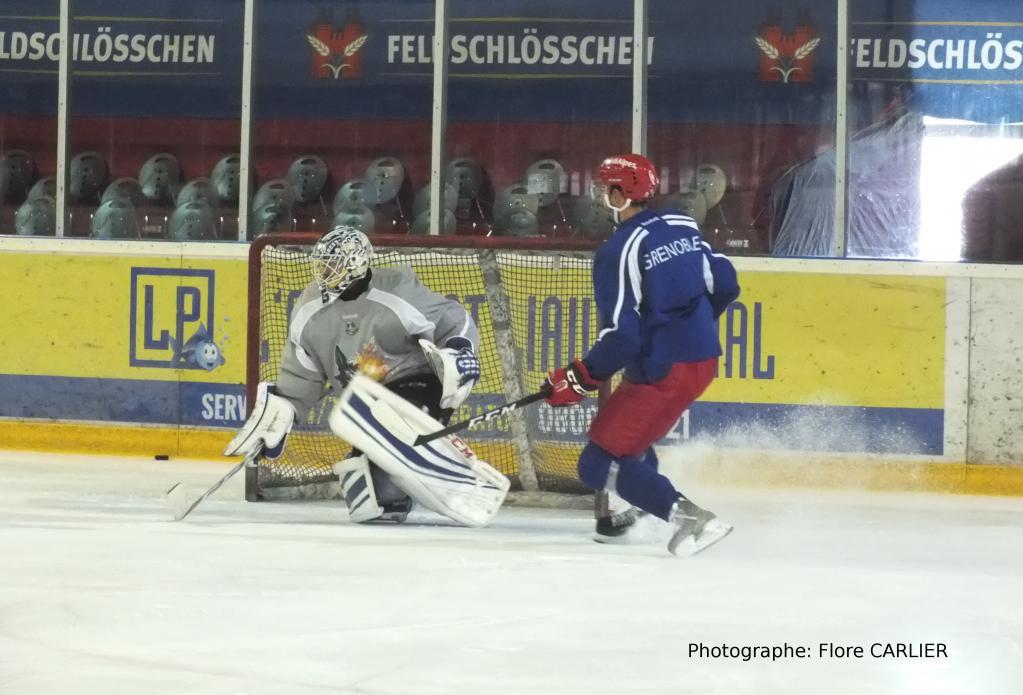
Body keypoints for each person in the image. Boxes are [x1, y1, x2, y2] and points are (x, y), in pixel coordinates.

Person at [544, 154, 740, 555]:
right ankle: (645, 510)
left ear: (620, 194)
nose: (600, 195)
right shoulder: (682, 224)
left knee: (596, 463)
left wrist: (579, 377)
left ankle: (689, 517)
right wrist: (695, 328)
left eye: (605, 188)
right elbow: (726, 283)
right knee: (627, 442)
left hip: (663, 368)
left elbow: (623, 337)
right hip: (702, 358)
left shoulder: (618, 250)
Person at [225, 225, 482, 524]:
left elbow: (454, 318)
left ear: (357, 264)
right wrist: (283, 410)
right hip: (365, 408)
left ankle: (436, 467)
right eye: (323, 264)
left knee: (394, 435)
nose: (325, 271)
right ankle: (399, 483)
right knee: (372, 495)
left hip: (417, 386)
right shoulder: (310, 309)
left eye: (334, 264)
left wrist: (461, 349)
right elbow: (302, 372)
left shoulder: (397, 291)